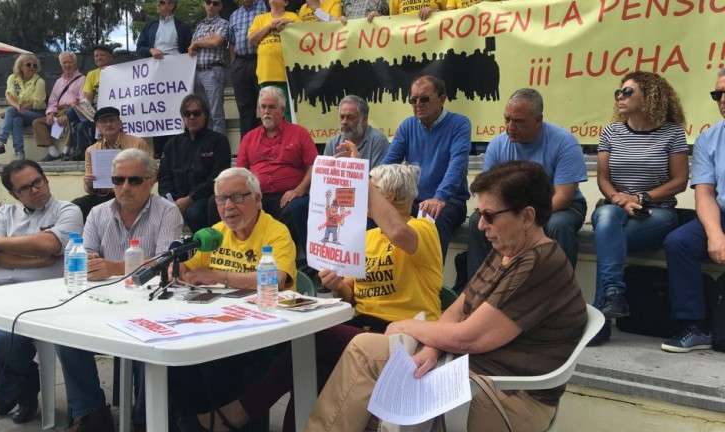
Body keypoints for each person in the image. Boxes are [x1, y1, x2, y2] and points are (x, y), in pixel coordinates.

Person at [305, 161, 587, 432]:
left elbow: (470, 337)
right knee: (363, 350)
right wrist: (433, 347)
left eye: (488, 216)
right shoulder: (508, 250)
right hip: (467, 369)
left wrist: (407, 327)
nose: (480, 226)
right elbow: (459, 308)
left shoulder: (538, 262)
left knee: (365, 360)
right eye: (479, 216)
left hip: (509, 394)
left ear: (526, 217)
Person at [208, 164, 443, 432]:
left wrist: (359, 179)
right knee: (312, 363)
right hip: (363, 324)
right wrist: (337, 286)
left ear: (387, 197)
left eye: (368, 190)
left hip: (407, 332)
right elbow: (352, 294)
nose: (358, 196)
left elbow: (400, 234)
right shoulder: (366, 236)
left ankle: (242, 411)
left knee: (313, 339)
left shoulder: (423, 228)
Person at [56, 148, 184, 432]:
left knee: (146, 343)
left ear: (152, 181)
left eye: (134, 180)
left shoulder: (168, 211)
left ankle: (145, 419)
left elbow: (166, 262)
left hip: (151, 305)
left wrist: (114, 267)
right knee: (62, 332)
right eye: (118, 180)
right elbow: (83, 254)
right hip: (102, 302)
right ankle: (90, 413)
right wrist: (87, 262)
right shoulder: (98, 213)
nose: (125, 187)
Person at [169, 167, 296, 431]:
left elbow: (276, 279)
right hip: (216, 323)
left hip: (264, 330)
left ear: (258, 199)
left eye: (238, 197)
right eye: (221, 199)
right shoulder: (214, 234)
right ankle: (191, 421)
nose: (228, 206)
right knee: (177, 362)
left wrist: (217, 275)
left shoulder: (276, 232)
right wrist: (177, 268)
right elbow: (188, 269)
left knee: (225, 364)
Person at [0, 160, 83, 425]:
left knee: (6, 340)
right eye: (26, 188)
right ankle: (17, 386)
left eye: (38, 181)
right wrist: (36, 258)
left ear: (46, 179)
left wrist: (0, 243)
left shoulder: (68, 211)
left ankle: (15, 389)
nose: (35, 189)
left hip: (38, 297)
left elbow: (50, 243)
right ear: (15, 194)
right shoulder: (5, 214)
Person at [589, 72, 689, 346]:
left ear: (651, 96)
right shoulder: (611, 131)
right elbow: (603, 178)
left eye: (628, 92)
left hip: (657, 213)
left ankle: (600, 318)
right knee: (607, 218)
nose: (620, 97)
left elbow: (679, 181)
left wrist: (641, 197)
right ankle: (613, 295)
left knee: (607, 236)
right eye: (618, 92)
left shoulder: (672, 133)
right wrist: (620, 199)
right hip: (617, 209)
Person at [464, 88, 587, 279]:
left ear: (538, 120)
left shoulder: (564, 142)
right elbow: (488, 193)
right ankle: (479, 288)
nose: (510, 126)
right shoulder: (497, 145)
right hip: (511, 209)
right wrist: (510, 217)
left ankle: (559, 288)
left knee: (558, 225)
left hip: (560, 207)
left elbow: (563, 196)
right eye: (507, 119)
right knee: (476, 222)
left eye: (518, 121)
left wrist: (522, 219)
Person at [661, 68, 725, 353]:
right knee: (680, 242)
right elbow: (705, 194)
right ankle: (693, 327)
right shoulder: (709, 139)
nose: (722, 100)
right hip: (721, 213)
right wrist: (715, 235)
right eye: (717, 94)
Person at [288, 95, 389, 264]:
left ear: (363, 119)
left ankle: (352, 267)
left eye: (350, 117)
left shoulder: (378, 141)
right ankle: (317, 264)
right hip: (337, 199)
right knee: (298, 208)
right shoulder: (333, 142)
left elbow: (378, 183)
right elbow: (324, 182)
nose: (344, 121)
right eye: (342, 117)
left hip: (365, 201)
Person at [382, 75, 471, 258]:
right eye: (413, 100)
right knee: (374, 217)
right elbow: (388, 164)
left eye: (424, 99)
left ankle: (432, 283)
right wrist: (369, 188)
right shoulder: (407, 125)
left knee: (432, 223)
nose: (418, 104)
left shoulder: (460, 124)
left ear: (442, 99)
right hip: (414, 200)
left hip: (449, 201)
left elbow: (457, 165)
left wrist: (440, 197)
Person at [234, 86, 317, 223]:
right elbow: (240, 172)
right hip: (257, 196)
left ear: (282, 110)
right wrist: (249, 196)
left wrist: (299, 190)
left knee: (296, 208)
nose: (266, 112)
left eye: (271, 107)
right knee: (217, 203)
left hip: (289, 195)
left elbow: (313, 166)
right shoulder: (249, 137)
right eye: (263, 107)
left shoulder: (299, 133)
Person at [159, 94, 231, 232]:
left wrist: (190, 199)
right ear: (183, 117)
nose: (192, 117)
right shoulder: (171, 144)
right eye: (187, 113)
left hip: (203, 198)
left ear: (205, 116)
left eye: (196, 113)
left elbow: (217, 178)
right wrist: (169, 199)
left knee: (194, 212)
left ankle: (202, 249)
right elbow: (164, 178)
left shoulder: (219, 141)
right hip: (174, 199)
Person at [71, 107, 151, 221]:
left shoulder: (137, 143)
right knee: (75, 207)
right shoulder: (91, 150)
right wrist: (89, 183)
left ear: (120, 123)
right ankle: (83, 238)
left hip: (131, 193)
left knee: (111, 209)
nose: (108, 124)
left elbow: (151, 173)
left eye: (112, 120)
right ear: (98, 126)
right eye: (103, 122)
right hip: (104, 196)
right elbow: (89, 188)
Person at [136, 0, 193, 158]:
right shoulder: (150, 26)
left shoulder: (183, 27)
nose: (165, 6)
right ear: (158, 6)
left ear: (173, 6)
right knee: (158, 109)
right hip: (156, 73)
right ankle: (160, 151)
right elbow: (139, 49)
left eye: (169, 3)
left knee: (177, 108)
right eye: (162, 3)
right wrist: (150, 50)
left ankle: (181, 148)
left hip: (177, 73)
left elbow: (190, 48)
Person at [0, 54, 46, 160]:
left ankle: (0, 142)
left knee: (11, 111)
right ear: (20, 66)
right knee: (16, 120)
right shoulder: (13, 78)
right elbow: (9, 95)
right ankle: (19, 153)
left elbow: (37, 102)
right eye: (28, 64)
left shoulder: (39, 82)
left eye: (35, 66)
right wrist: (17, 107)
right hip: (18, 111)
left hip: (36, 112)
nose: (32, 67)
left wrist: (17, 109)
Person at [247, 0, 299, 120]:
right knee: (267, 113)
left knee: (287, 114)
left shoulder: (293, 16)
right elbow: (252, 40)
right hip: (266, 73)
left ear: (285, 3)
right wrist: (270, 26)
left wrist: (288, 23)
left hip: (287, 75)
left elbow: (303, 35)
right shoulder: (260, 18)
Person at [31, 51, 84, 162]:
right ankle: (52, 151)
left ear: (75, 63)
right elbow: (52, 101)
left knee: (71, 118)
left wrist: (69, 110)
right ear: (61, 65)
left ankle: (67, 150)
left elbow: (82, 100)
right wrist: (50, 113)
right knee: (38, 122)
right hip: (58, 111)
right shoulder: (58, 81)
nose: (67, 65)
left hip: (73, 110)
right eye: (64, 63)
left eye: (70, 62)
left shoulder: (82, 79)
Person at [66, 45, 114, 161]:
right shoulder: (92, 74)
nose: (98, 58)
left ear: (110, 57)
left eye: (102, 55)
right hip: (95, 111)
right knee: (71, 111)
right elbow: (88, 98)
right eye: (96, 56)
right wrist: (80, 103)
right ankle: (80, 148)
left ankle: (82, 150)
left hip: (112, 110)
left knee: (82, 126)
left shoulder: (118, 71)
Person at [189, 0, 229, 134]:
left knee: (216, 114)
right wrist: (203, 42)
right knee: (203, 114)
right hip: (197, 72)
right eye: (208, 2)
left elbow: (216, 42)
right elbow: (191, 49)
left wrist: (198, 43)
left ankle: (219, 149)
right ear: (204, 4)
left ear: (220, 7)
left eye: (215, 3)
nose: (211, 5)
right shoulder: (199, 25)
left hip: (213, 70)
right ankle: (207, 147)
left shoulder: (223, 23)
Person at [228, 0, 268, 137]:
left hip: (260, 59)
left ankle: (268, 143)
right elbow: (232, 43)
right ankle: (247, 146)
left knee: (267, 104)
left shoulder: (264, 6)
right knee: (245, 108)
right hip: (240, 63)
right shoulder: (234, 15)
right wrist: (234, 64)